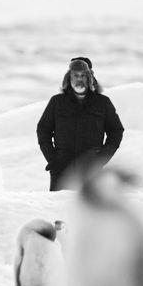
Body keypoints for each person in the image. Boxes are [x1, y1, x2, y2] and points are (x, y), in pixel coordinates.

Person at [36, 57, 125, 191]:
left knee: (88, 210)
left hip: (90, 172)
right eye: (75, 75)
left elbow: (116, 131)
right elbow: (43, 130)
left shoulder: (103, 103)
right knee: (57, 209)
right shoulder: (57, 102)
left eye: (84, 75)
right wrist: (53, 159)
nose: (79, 79)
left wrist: (101, 159)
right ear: (68, 78)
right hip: (61, 171)